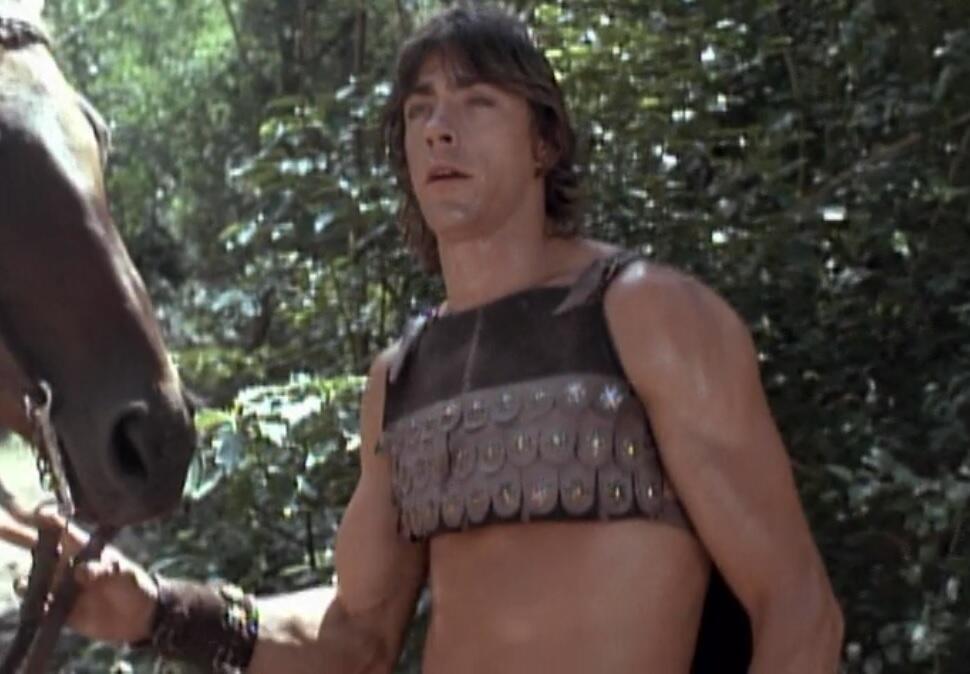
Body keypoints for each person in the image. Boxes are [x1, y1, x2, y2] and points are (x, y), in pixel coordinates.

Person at [0, 5, 844, 673]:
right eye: (420, 109)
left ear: (545, 140)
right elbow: (358, 636)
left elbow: (798, 612)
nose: (441, 128)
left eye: (478, 102)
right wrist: (157, 612)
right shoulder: (404, 376)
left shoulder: (648, 314)